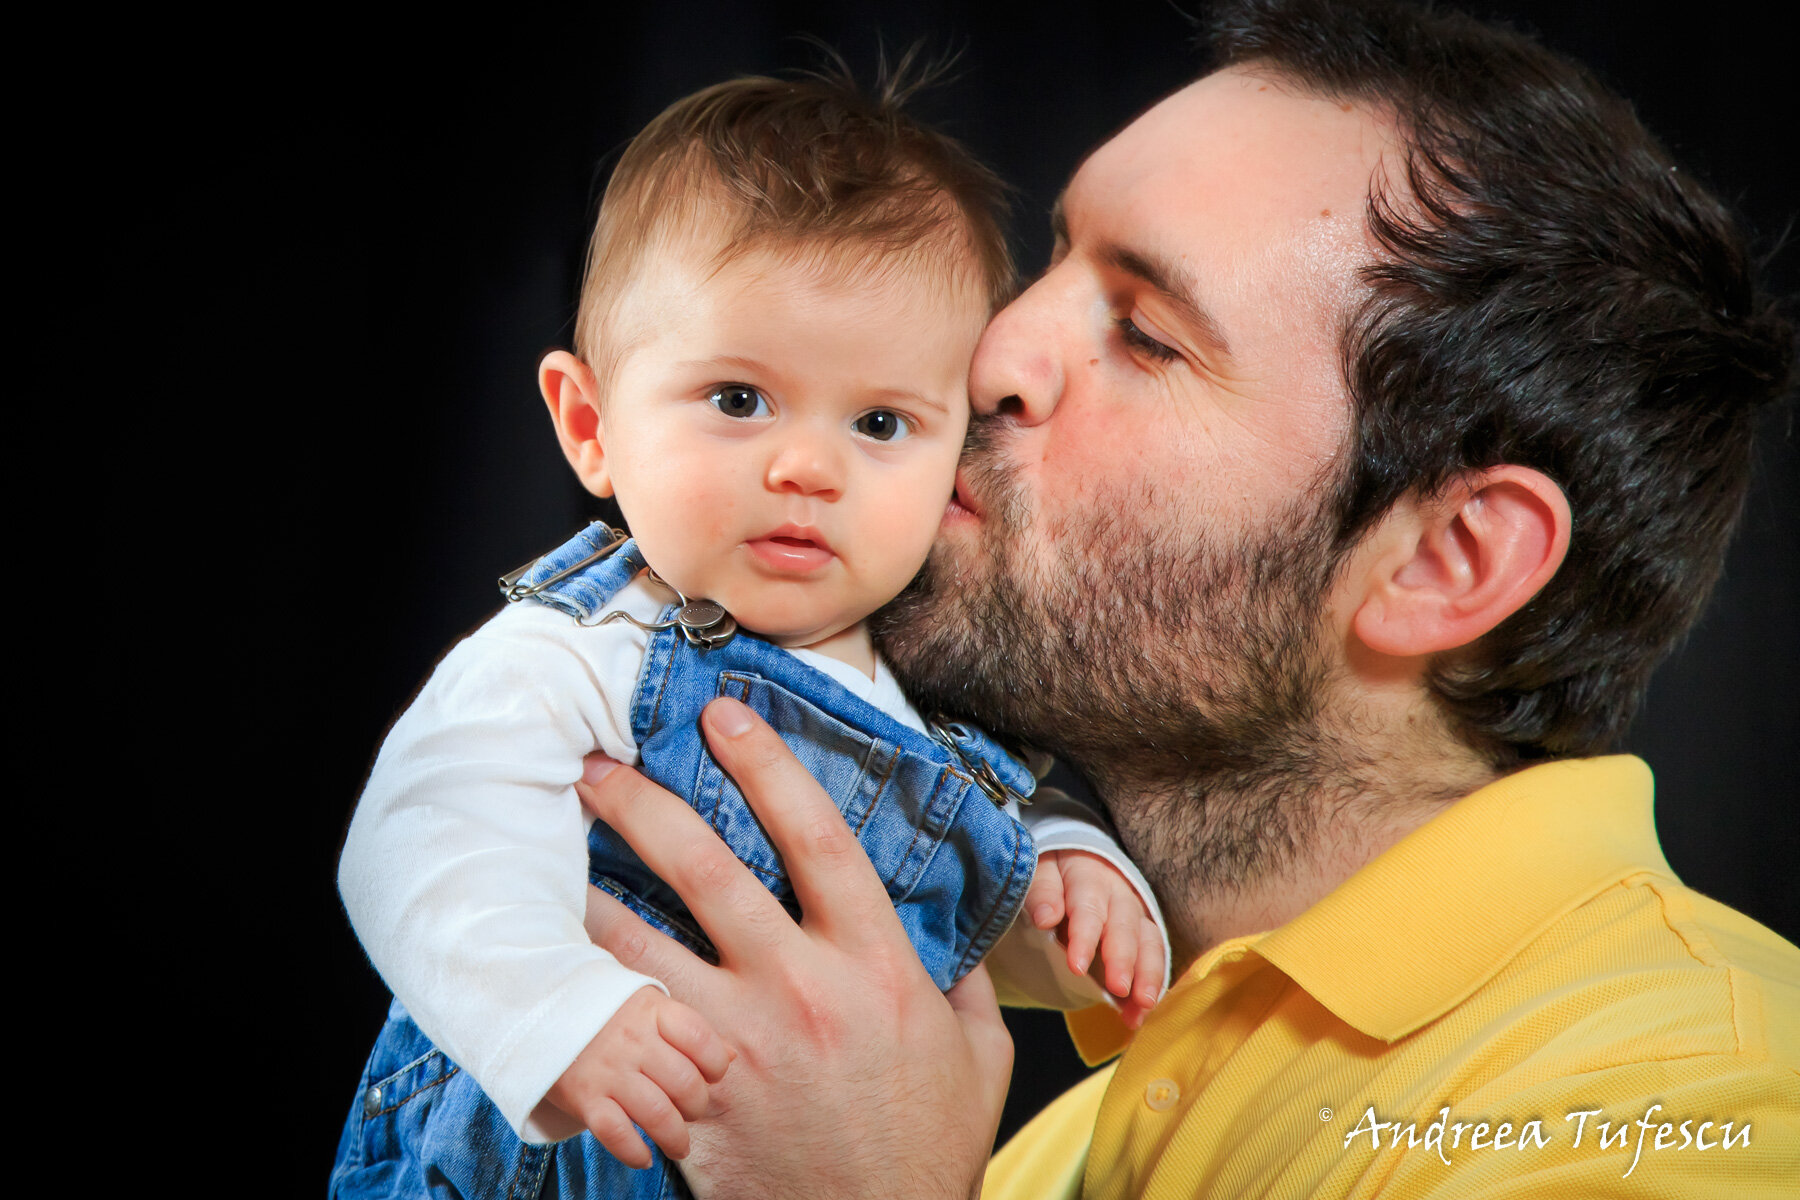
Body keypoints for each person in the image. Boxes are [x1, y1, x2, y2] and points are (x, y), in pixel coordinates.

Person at [569, 1, 1800, 1196]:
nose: (990, 354)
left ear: (1445, 561)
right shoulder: (1051, 1155)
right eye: (1055, 260)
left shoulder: (1699, 1102)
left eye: (1147, 333)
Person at [330, 67, 1169, 1199]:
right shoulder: (586, 647)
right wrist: (556, 1016)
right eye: (737, 398)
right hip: (543, 1153)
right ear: (590, 425)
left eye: (880, 422)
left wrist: (1065, 889)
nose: (807, 467)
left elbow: (913, 945)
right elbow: (425, 838)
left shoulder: (929, 698)